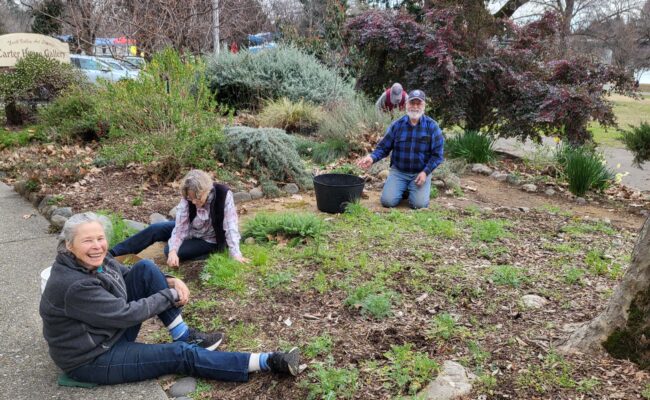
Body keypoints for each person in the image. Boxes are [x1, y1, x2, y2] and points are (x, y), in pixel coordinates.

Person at [40, 212, 301, 385]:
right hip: (93, 358)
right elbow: (126, 314)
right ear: (69, 246)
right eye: (88, 240)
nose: (97, 245)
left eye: (100, 238)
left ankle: (183, 333)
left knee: (146, 269)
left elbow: (130, 272)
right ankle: (268, 361)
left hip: (107, 332)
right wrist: (170, 294)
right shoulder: (73, 285)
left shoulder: (95, 259)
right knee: (181, 356)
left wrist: (169, 279)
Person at [110, 169, 248, 267]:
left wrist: (235, 254)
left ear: (207, 190)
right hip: (191, 229)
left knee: (167, 251)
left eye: (197, 198)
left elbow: (230, 226)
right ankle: (112, 254)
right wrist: (173, 251)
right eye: (190, 198)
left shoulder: (224, 195)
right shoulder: (188, 198)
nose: (193, 202)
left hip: (209, 239)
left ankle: (210, 253)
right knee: (155, 230)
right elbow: (180, 228)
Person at [358, 89, 444, 209]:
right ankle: (403, 188)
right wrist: (372, 158)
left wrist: (425, 172)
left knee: (419, 205)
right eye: (412, 103)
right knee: (387, 202)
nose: (415, 107)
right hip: (399, 172)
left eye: (418, 104)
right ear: (406, 104)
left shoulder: (432, 127)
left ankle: (411, 189)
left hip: (420, 172)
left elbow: (437, 155)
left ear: (424, 106)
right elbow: (383, 147)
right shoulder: (397, 125)